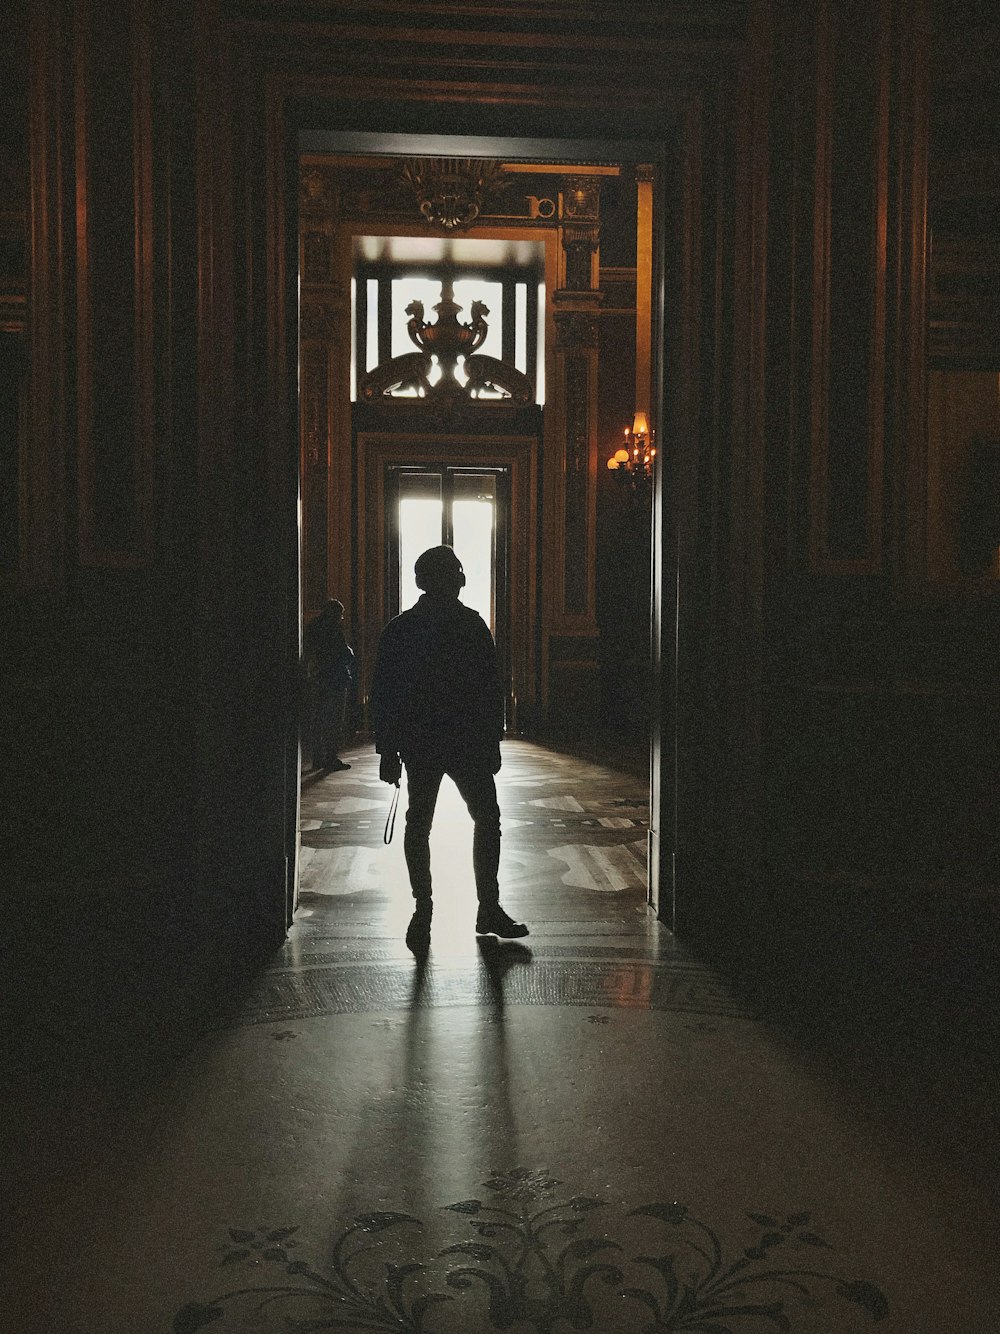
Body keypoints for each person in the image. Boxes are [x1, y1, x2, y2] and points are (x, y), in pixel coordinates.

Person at [371, 545, 528, 949]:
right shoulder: (472, 626)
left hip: (423, 743)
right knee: (486, 820)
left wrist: (388, 750)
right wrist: (493, 740)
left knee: (418, 824)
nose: (462, 579)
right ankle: (487, 907)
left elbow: (385, 694)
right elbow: (490, 691)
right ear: (450, 578)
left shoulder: (400, 629)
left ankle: (423, 910)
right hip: (467, 743)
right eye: (458, 572)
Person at [303, 598, 355, 772]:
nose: (341, 619)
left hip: (318, 678)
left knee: (318, 720)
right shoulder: (333, 629)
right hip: (335, 679)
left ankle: (318, 758)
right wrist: (349, 653)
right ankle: (331, 758)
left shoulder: (312, 628)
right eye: (340, 615)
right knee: (334, 721)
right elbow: (343, 654)